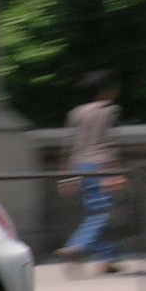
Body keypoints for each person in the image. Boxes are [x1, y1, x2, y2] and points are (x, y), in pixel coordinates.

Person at [56, 70, 123, 272]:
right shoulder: (110, 110)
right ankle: (76, 246)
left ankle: (110, 257)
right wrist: (116, 171)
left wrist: (64, 176)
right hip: (102, 165)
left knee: (95, 212)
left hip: (81, 166)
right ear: (103, 91)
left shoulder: (76, 113)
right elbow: (110, 142)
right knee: (101, 213)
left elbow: (68, 145)